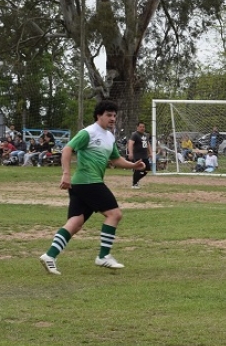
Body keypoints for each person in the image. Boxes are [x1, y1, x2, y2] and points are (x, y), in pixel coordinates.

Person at [38, 100, 146, 275]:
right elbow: (67, 149)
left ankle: (50, 255)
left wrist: (133, 166)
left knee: (76, 222)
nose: (112, 119)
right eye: (109, 115)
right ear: (99, 115)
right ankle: (103, 256)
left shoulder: (109, 137)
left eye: (114, 116)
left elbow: (115, 159)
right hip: (89, 182)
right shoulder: (88, 132)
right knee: (114, 214)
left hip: (81, 184)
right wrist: (66, 173)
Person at [127, 121, 150, 188]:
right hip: (138, 156)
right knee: (138, 169)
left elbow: (148, 144)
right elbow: (130, 143)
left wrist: (151, 152)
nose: (142, 128)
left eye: (143, 127)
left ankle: (136, 180)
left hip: (145, 155)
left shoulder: (145, 135)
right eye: (140, 127)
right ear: (137, 127)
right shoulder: (135, 134)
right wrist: (130, 153)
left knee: (147, 169)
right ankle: (134, 184)